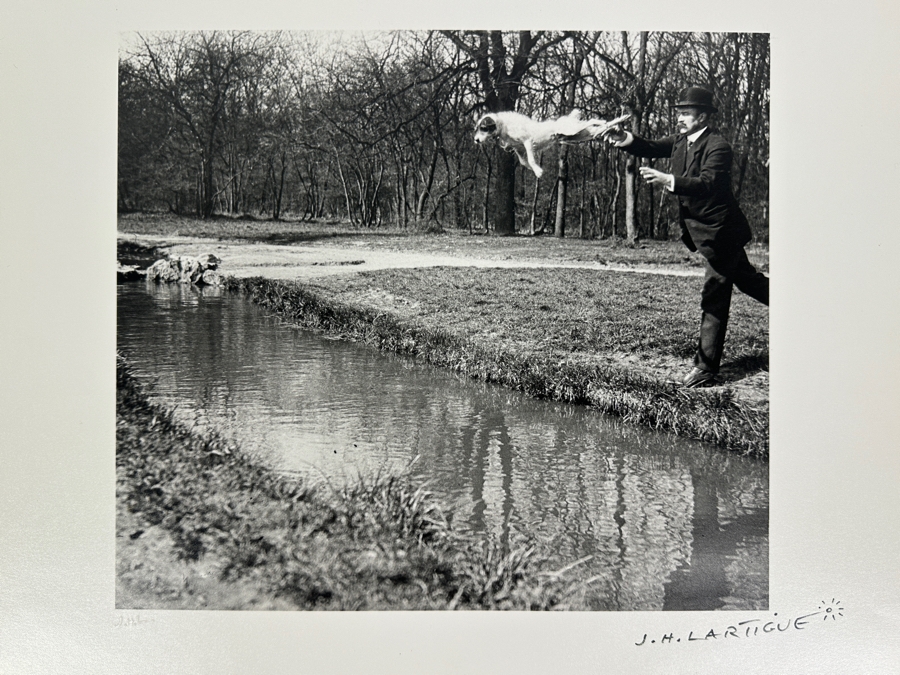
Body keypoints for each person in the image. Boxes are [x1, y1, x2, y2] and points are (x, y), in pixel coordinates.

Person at [600, 86, 768, 387]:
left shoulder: (719, 146)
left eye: (685, 113)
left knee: (714, 295)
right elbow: (650, 146)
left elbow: (708, 183)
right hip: (704, 231)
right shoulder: (680, 141)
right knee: (748, 280)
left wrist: (668, 179)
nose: (679, 118)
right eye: (678, 113)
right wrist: (622, 138)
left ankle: (706, 369)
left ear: (702, 116)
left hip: (721, 232)